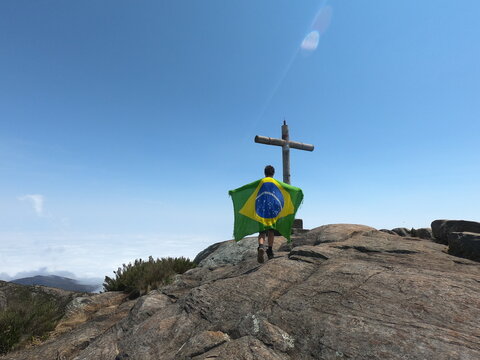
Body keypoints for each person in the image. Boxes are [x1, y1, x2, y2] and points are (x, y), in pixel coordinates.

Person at [257, 165, 276, 263]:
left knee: (262, 231)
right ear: (273, 173)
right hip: (272, 209)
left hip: (261, 209)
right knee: (271, 231)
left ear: (265, 173)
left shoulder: (261, 182)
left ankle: (261, 246)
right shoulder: (276, 183)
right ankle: (270, 250)